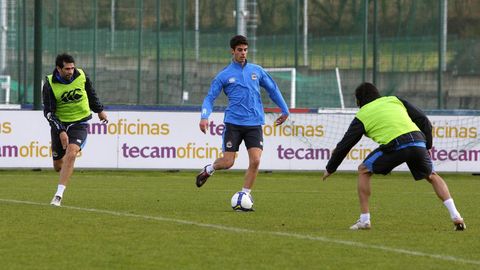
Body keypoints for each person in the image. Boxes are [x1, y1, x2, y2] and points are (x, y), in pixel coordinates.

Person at [322, 82, 466, 231]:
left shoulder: (362, 115)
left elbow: (346, 144)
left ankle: (364, 220)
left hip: (396, 144)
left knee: (363, 169)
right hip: (417, 140)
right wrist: (427, 145)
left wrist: (330, 168)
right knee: (432, 175)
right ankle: (456, 216)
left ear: (359, 100)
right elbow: (424, 120)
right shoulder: (394, 100)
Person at [196, 35, 290, 210]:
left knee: (255, 160)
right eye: (239, 50)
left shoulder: (257, 71)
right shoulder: (224, 75)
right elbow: (210, 98)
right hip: (234, 123)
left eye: (245, 50)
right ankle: (209, 169)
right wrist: (204, 116)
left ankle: (245, 194)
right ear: (232, 51)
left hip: (254, 123)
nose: (243, 53)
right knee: (228, 162)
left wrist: (285, 110)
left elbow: (273, 89)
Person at [42, 53, 108, 207]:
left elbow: (91, 95)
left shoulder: (82, 76)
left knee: (71, 153)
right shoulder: (50, 84)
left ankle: (58, 195)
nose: (70, 71)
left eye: (72, 68)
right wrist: (61, 131)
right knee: (58, 165)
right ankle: (61, 159)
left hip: (80, 122)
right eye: (67, 69)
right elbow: (49, 112)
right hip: (60, 123)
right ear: (58, 68)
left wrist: (99, 110)